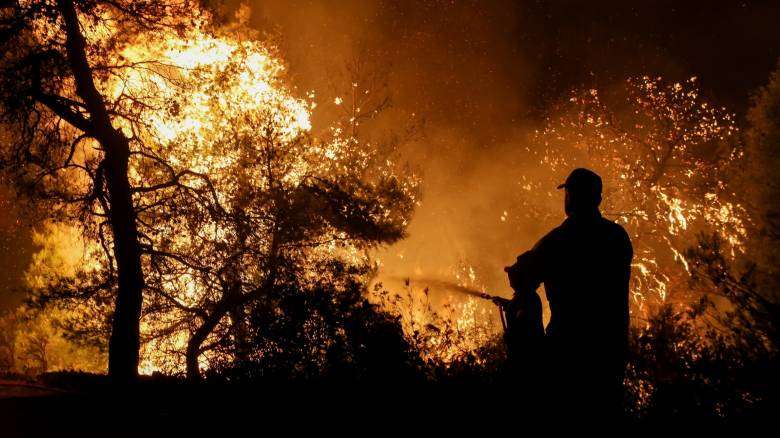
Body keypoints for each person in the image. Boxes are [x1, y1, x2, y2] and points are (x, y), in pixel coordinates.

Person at [505, 168, 633, 419]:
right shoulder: (617, 237)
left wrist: (517, 272)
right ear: (598, 199)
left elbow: (523, 278)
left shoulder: (559, 240)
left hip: (568, 351)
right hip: (611, 351)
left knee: (524, 302)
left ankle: (521, 396)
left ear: (570, 197)